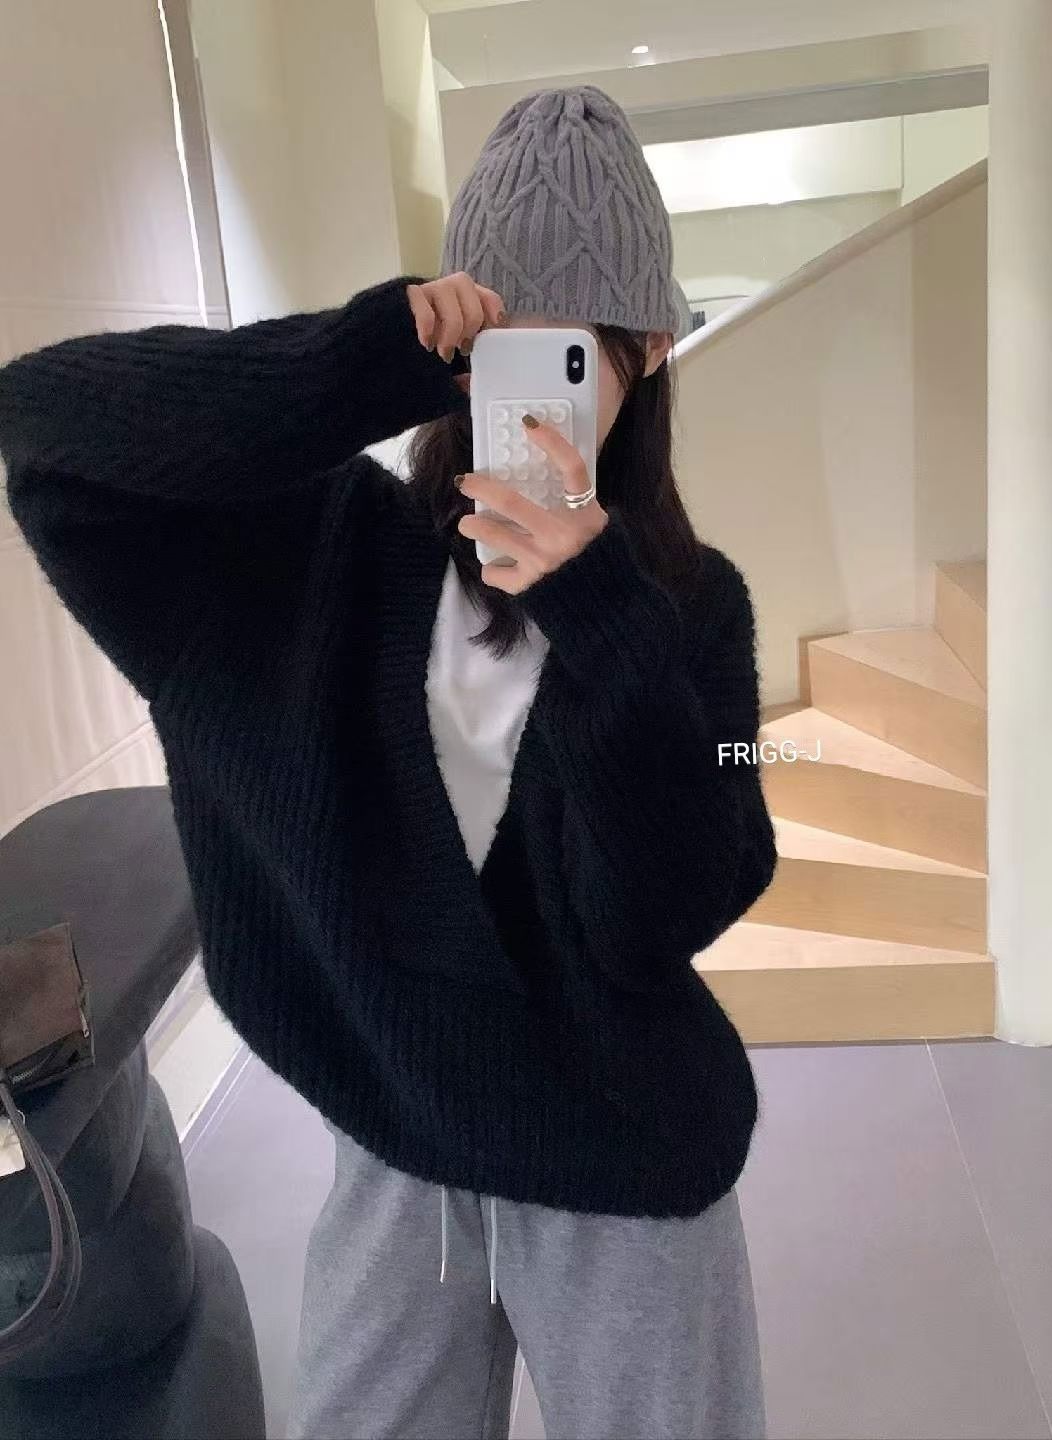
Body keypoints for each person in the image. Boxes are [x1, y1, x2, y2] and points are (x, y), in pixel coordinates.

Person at [0, 84, 777, 1440]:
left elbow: (676, 905)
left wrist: (598, 614)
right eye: (491, 349)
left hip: (627, 1163)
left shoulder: (692, 611)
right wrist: (356, 363)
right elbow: (44, 427)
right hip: (396, 1146)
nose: (520, 396)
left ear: (646, 351)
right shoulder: (316, 554)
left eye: (566, 356)